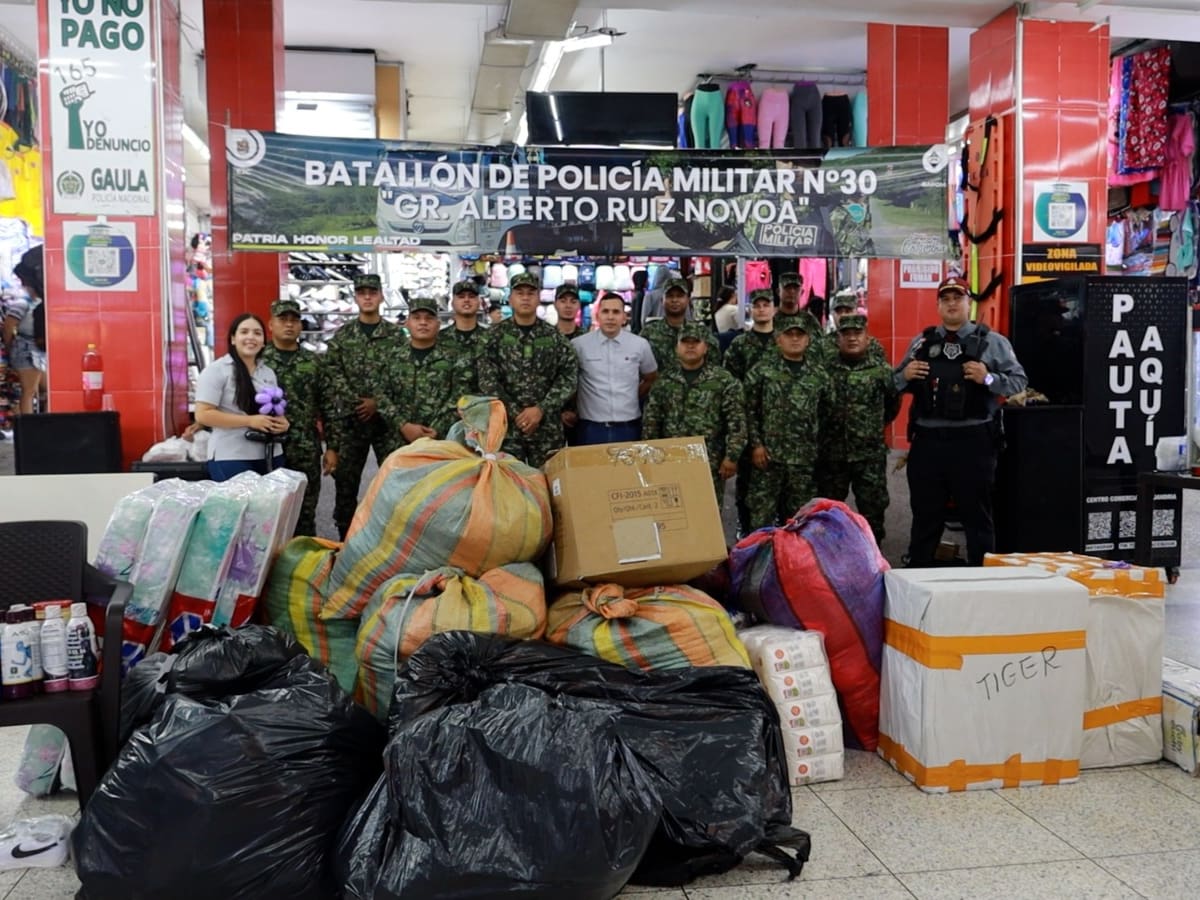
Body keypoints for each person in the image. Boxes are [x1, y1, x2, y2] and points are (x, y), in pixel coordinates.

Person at [895, 275, 1028, 566]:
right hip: (928, 444)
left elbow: (1019, 383)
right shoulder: (922, 342)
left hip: (974, 442)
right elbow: (893, 383)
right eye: (946, 298)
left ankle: (982, 583)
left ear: (969, 302)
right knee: (926, 517)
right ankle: (918, 580)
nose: (952, 303)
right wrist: (904, 376)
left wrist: (988, 377)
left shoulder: (993, 342)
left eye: (958, 297)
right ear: (938, 305)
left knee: (976, 517)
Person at [321, 273, 405, 539]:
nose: (367, 297)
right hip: (350, 421)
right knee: (345, 488)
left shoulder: (395, 336)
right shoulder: (343, 337)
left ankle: (393, 541)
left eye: (372, 292)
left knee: (396, 483)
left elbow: (402, 375)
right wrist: (358, 403)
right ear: (356, 297)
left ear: (381, 296)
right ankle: (345, 543)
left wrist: (377, 403)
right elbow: (332, 375)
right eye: (362, 292)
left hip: (386, 422)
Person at [477, 271, 578, 467]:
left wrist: (541, 409)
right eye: (519, 293)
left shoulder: (555, 337)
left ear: (538, 298)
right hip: (506, 427)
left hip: (546, 426)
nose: (525, 297)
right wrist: (517, 413)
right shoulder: (493, 336)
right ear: (511, 298)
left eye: (530, 293)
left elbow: (568, 376)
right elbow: (487, 379)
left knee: (549, 485)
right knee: (507, 485)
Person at [643, 322, 747, 506]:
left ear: (705, 346)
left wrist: (731, 457)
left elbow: (736, 422)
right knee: (673, 514)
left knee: (707, 511)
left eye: (696, 342)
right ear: (677, 347)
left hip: (710, 461)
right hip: (670, 460)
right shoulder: (664, 382)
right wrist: (651, 456)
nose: (690, 346)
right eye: (685, 342)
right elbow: (652, 422)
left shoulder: (723, 381)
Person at [744, 312, 831, 529]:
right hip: (768, 459)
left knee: (799, 521)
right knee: (760, 520)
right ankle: (759, 562)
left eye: (799, 335)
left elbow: (828, 413)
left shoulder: (819, 375)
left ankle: (793, 562)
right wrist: (756, 445)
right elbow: (748, 409)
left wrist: (816, 446)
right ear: (778, 339)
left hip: (803, 461)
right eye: (789, 334)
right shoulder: (762, 371)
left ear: (808, 339)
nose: (794, 339)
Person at [819, 314, 900, 543]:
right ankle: (829, 563)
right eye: (846, 334)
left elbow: (892, 405)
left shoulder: (882, 371)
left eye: (858, 333)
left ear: (867, 338)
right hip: (832, 454)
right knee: (828, 512)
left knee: (872, 511)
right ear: (838, 339)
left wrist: (871, 428)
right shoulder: (825, 370)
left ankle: (872, 562)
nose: (852, 338)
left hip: (869, 455)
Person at [193, 313, 289, 481]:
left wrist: (283, 423)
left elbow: (273, 409)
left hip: (270, 453)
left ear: (263, 341)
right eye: (244, 332)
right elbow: (203, 415)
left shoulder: (268, 373)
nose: (251, 337)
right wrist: (249, 421)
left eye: (257, 333)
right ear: (233, 339)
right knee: (240, 507)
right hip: (231, 455)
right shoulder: (217, 370)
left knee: (270, 507)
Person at [260, 299, 324, 536]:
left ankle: (304, 566)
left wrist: (333, 448)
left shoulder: (314, 362)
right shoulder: (258, 359)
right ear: (271, 324)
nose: (289, 325)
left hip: (305, 446)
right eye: (283, 319)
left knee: (305, 512)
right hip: (264, 446)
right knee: (268, 511)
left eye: (294, 320)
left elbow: (327, 406)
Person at [723, 288, 778, 535]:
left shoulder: (785, 340)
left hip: (782, 426)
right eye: (757, 305)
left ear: (774, 309)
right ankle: (745, 531)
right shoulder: (740, 345)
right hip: (748, 423)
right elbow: (732, 388)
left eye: (766, 305)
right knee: (747, 486)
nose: (762, 309)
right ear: (751, 310)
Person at [569, 293, 657, 445]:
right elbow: (569, 380)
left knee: (628, 469)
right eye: (605, 311)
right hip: (590, 428)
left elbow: (651, 376)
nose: (610, 317)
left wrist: (632, 395)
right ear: (597, 315)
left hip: (629, 426)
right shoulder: (579, 345)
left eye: (616, 312)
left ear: (624, 317)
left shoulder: (640, 345)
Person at [379, 297, 463, 446]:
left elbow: (459, 397)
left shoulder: (455, 358)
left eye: (429, 318)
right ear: (407, 323)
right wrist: (403, 425)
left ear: (438, 325)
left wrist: (437, 429)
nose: (423, 322)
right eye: (416, 318)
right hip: (397, 440)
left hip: (441, 441)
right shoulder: (391, 356)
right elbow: (380, 394)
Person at [641, 277, 722, 371]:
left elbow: (714, 365)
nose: (674, 300)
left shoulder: (701, 332)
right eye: (670, 296)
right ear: (661, 301)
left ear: (688, 300)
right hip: (659, 384)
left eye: (679, 296)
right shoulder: (649, 333)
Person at [3, 250, 46, 417]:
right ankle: (28, 426)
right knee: (29, 391)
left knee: (38, 390)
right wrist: (10, 346)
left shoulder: (37, 302)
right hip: (26, 349)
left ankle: (34, 423)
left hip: (36, 350)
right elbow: (8, 326)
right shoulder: (22, 303)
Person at [442, 279, 486, 394]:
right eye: (461, 296)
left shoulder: (492, 338)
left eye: (471, 296)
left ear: (479, 302)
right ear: (452, 303)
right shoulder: (438, 339)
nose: (466, 300)